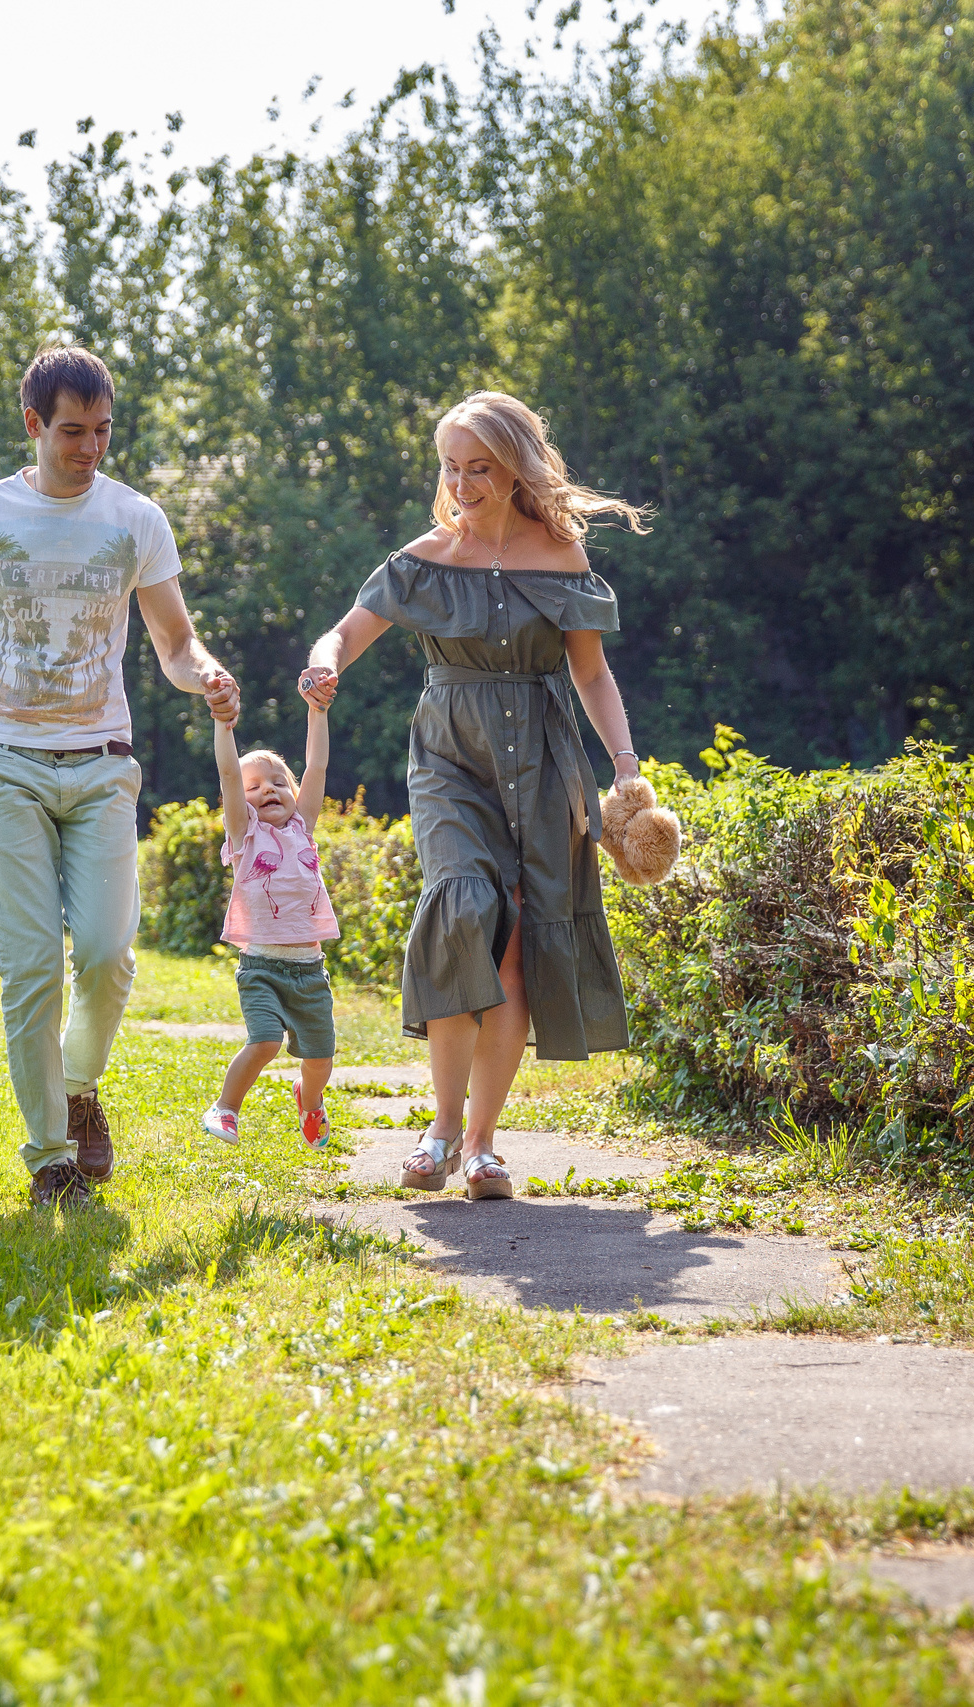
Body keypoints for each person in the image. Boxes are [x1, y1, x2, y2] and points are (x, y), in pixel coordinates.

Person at [0, 345, 239, 1209]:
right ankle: (50, 1160)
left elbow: (176, 643)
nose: (91, 448)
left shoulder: (135, 518)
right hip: (2, 762)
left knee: (109, 955)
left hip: (104, 762)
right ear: (34, 425)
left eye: (103, 429)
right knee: (32, 963)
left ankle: (80, 1087)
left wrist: (207, 673)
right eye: (73, 431)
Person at [298, 390, 650, 1199]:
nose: (461, 484)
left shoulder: (559, 555)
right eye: (450, 467)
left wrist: (625, 765)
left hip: (544, 760)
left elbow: (590, 672)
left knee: (518, 944)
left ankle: (483, 1146)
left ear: (515, 466)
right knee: (461, 909)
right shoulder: (428, 556)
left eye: (478, 468)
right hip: (450, 758)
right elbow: (344, 631)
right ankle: (440, 1126)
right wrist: (325, 665)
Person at [198, 699, 340, 1149]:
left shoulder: (304, 827)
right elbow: (227, 776)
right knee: (265, 1043)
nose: (269, 790)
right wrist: (224, 725)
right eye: (254, 785)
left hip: (310, 970)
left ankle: (310, 1101)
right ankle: (225, 1108)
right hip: (261, 966)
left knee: (320, 1056)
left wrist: (317, 713)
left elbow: (316, 766)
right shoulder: (245, 835)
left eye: (279, 782)